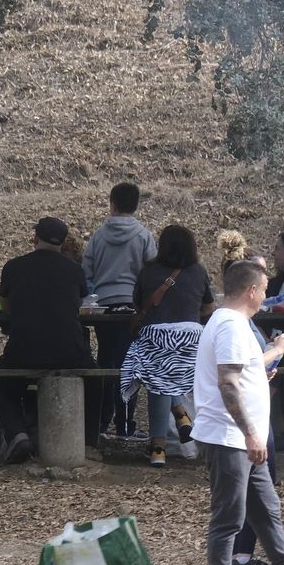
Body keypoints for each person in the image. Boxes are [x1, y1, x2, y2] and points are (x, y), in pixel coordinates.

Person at [195, 259, 284, 565]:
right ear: (251, 290)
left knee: (267, 512)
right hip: (229, 437)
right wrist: (252, 433)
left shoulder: (233, 324)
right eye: (265, 288)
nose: (267, 295)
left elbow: (248, 371)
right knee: (229, 516)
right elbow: (227, 383)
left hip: (240, 438)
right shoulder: (231, 326)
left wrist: (275, 353)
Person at [0, 217, 100, 464]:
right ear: (63, 243)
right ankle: (91, 442)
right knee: (96, 379)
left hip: (24, 350)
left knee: (2, 386)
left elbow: (7, 309)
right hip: (70, 352)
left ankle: (17, 434)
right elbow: (81, 301)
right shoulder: (75, 270)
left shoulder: (13, 267)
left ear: (35, 238)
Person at [120, 225, 215, 468]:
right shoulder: (198, 271)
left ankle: (158, 448)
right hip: (191, 340)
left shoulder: (148, 271)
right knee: (163, 376)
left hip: (156, 337)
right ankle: (181, 416)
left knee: (155, 378)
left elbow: (138, 303)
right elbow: (208, 307)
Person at [84, 182, 156, 439]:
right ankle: (125, 426)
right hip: (133, 309)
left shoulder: (98, 236)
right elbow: (151, 274)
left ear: (111, 203)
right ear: (135, 205)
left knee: (106, 361)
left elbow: (87, 273)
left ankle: (101, 424)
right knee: (130, 364)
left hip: (104, 308)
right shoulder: (143, 236)